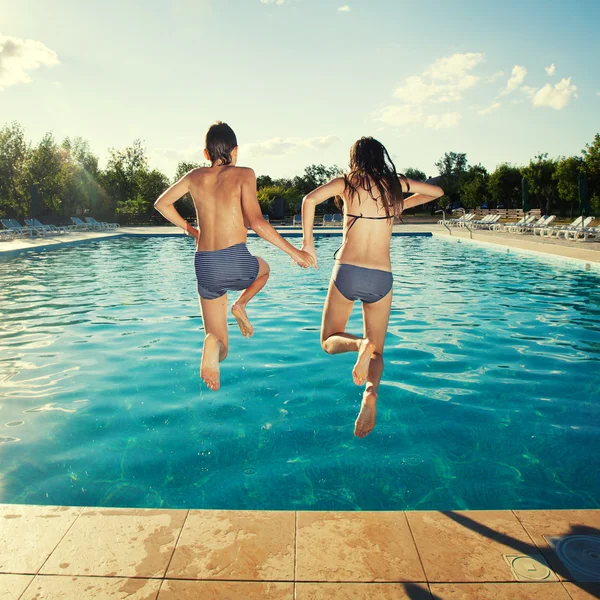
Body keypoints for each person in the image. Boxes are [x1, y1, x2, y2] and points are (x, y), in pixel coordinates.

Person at [155, 121, 314, 391]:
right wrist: (295, 252)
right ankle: (240, 305)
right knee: (264, 270)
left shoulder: (194, 176)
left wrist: (191, 229)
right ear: (236, 150)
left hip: (204, 265)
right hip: (235, 259)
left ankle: (211, 344)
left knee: (222, 345)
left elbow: (161, 203)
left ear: (206, 154)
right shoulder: (244, 174)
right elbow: (256, 222)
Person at [301, 137, 443, 438]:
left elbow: (308, 200)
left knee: (328, 339)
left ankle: (357, 345)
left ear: (355, 159)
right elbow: (437, 191)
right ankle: (370, 392)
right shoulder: (393, 186)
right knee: (377, 353)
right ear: (381, 157)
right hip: (381, 277)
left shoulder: (348, 182)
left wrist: (308, 243)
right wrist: (402, 191)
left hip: (348, 271)